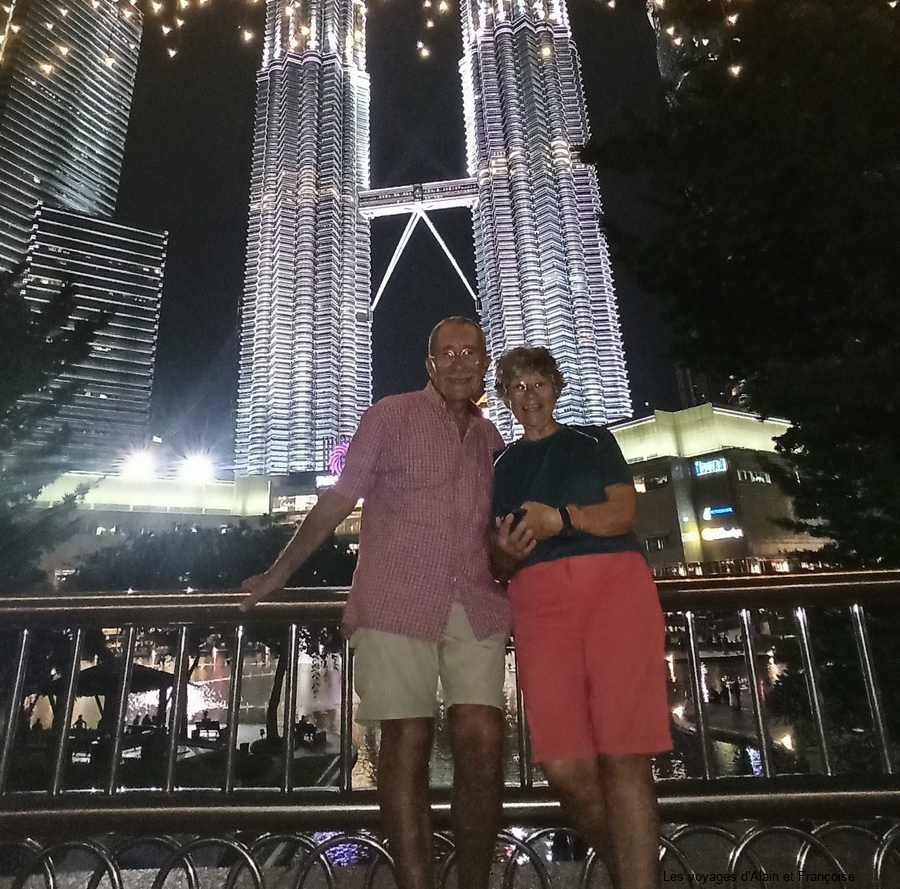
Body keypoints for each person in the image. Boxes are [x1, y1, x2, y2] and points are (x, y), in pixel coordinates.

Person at [241, 317, 508, 889]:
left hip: (476, 600)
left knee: (484, 738)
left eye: (471, 352)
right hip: (396, 598)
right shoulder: (390, 415)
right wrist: (277, 575)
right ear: (429, 364)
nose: (459, 362)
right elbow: (339, 499)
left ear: (485, 363)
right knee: (407, 740)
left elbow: (496, 528)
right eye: (447, 353)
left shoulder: (491, 438)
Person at [491, 346, 670, 889]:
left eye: (539, 383)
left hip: (615, 590)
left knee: (624, 755)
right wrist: (505, 554)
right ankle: (631, 869)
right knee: (563, 765)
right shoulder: (500, 465)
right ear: (505, 398)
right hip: (539, 602)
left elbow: (624, 511)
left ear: (556, 388)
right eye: (518, 387)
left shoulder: (594, 441)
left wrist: (562, 520)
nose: (530, 396)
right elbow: (496, 560)